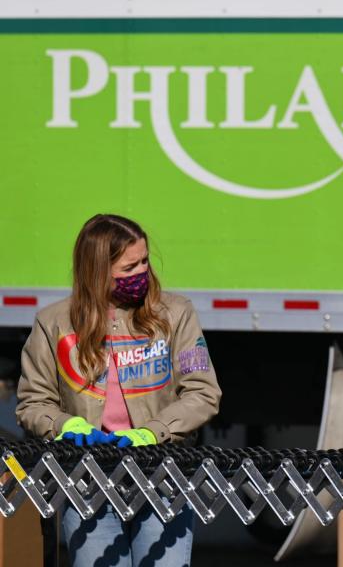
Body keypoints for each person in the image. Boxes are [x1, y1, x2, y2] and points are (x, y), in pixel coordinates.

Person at [16, 214, 222, 567]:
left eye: (144, 262)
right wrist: (65, 426)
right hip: (86, 484)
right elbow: (33, 402)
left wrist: (154, 432)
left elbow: (202, 393)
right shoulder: (53, 323)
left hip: (164, 478)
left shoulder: (175, 313)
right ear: (97, 271)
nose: (141, 273)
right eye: (129, 267)